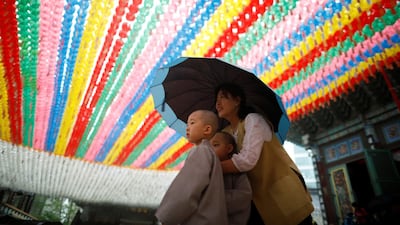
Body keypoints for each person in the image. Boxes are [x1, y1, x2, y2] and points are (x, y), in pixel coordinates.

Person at [214, 83, 314, 225]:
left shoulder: (253, 120)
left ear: (237, 100)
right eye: (216, 99)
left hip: (282, 193)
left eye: (223, 97)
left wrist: (212, 167)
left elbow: (247, 160)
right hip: (257, 201)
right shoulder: (226, 133)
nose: (217, 103)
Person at [155, 110, 228, 225]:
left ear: (207, 130)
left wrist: (168, 217)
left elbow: (188, 190)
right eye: (187, 124)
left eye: (192, 123)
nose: (187, 128)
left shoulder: (201, 151)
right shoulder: (209, 153)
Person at [211, 131, 252, 225]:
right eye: (208, 147)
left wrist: (212, 200)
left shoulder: (236, 172)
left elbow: (244, 196)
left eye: (215, 145)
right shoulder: (206, 171)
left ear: (229, 148)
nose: (210, 150)